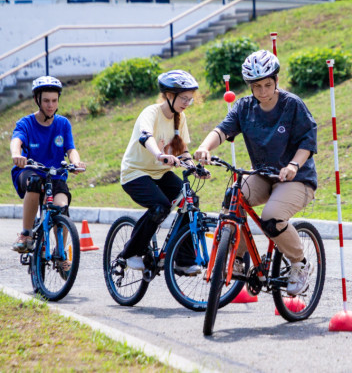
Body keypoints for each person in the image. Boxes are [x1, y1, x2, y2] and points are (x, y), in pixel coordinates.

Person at [194, 50, 318, 295]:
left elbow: (308, 141)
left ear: (276, 82)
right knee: (233, 198)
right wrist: (204, 147)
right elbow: (222, 130)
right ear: (250, 86)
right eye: (257, 86)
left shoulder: (292, 105)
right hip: (263, 175)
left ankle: (300, 263)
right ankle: (237, 257)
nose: (263, 92)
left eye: (268, 85)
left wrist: (293, 165)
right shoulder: (245, 107)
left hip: (297, 179)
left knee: (271, 218)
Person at [118, 70, 208, 274]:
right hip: (135, 172)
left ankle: (182, 260)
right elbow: (145, 136)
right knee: (160, 207)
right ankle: (131, 252)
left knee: (190, 200)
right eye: (184, 98)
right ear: (169, 95)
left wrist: (194, 168)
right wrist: (159, 155)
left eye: (190, 99)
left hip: (160, 173)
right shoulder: (151, 112)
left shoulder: (180, 118)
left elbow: (182, 149)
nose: (187, 103)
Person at [10, 76, 86, 260]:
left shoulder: (63, 124)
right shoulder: (26, 123)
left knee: (62, 208)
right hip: (29, 170)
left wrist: (76, 162)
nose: (50, 105)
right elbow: (16, 140)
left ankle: (62, 254)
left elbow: (70, 149)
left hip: (55, 175)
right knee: (35, 182)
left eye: (54, 100)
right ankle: (26, 233)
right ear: (37, 100)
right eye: (46, 101)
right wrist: (17, 155)